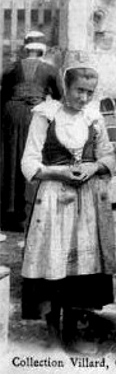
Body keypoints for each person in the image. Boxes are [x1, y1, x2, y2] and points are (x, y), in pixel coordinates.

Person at [20, 63, 116, 351]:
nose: (84, 98)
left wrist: (95, 166)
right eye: (79, 91)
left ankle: (77, 331)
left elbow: (110, 157)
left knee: (83, 270)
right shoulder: (46, 116)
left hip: (87, 201)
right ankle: (52, 333)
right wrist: (57, 172)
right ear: (66, 87)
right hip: (53, 200)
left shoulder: (93, 117)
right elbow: (28, 163)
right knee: (52, 264)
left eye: (90, 92)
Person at [1, 31, 63, 231]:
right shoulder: (50, 70)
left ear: (25, 48)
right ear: (42, 50)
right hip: (34, 114)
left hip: (11, 114)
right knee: (32, 156)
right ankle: (28, 212)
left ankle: (9, 214)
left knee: (10, 159)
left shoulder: (10, 69)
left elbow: (2, 96)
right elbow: (60, 97)